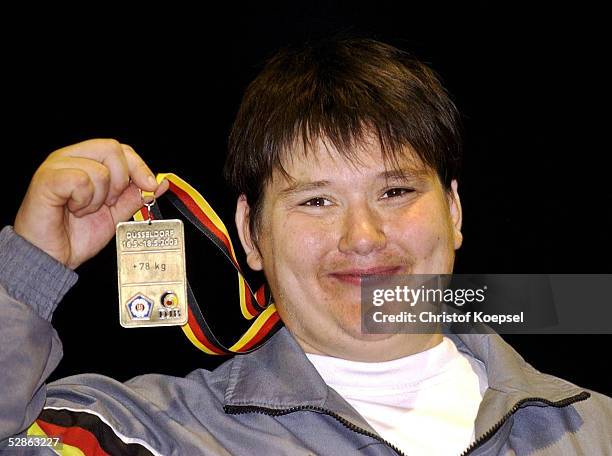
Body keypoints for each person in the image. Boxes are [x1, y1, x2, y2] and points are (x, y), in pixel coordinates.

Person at [0, 38, 610, 455]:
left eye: (395, 191)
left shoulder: (592, 426)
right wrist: (28, 272)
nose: (363, 237)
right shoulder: (152, 433)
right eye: (315, 201)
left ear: (453, 211)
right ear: (250, 233)